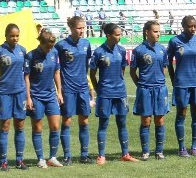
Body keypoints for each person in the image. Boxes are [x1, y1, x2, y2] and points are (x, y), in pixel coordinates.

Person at [90, 23, 139, 164]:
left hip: (120, 92)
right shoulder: (99, 52)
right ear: (109, 35)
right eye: (117, 35)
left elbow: (122, 70)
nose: (120, 37)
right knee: (103, 123)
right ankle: (101, 155)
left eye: (120, 34)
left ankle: (125, 154)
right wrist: (99, 89)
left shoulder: (122, 51)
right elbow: (93, 74)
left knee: (122, 122)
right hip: (105, 92)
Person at [55, 16, 93, 165]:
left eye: (83, 28)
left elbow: (86, 66)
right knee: (67, 120)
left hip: (82, 87)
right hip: (68, 89)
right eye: (79, 28)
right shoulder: (61, 45)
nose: (82, 31)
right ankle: (67, 156)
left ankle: (84, 155)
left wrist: (88, 87)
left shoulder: (86, 44)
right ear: (71, 28)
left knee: (84, 120)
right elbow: (55, 68)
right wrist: (60, 89)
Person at [25, 29, 64, 168]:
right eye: (48, 46)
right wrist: (28, 97)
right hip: (36, 96)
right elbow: (26, 78)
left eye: (52, 46)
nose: (50, 49)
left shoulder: (54, 53)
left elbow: (57, 72)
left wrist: (59, 92)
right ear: (41, 43)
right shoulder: (30, 56)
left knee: (55, 126)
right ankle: (40, 159)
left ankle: (52, 157)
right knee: (38, 128)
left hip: (51, 95)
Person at [130, 20, 169, 160]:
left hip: (160, 89)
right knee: (146, 121)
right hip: (145, 89)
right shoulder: (138, 50)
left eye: (159, 31)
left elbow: (164, 67)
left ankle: (159, 151)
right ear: (147, 32)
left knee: (160, 120)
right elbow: (132, 71)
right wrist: (140, 85)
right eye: (155, 31)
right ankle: (145, 151)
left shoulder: (162, 49)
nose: (158, 34)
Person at [167, 16, 196, 157]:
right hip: (181, 83)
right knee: (181, 115)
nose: (193, 29)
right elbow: (169, 62)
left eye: (194, 26)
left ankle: (194, 147)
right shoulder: (174, 41)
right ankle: (182, 148)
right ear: (183, 26)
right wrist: (173, 78)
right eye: (190, 26)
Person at [0, 24, 28, 171]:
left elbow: (26, 72)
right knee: (5, 125)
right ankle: (3, 161)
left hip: (20, 92)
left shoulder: (22, 50)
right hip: (4, 93)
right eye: (12, 36)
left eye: (17, 35)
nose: (15, 38)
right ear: (6, 36)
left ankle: (19, 160)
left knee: (20, 125)